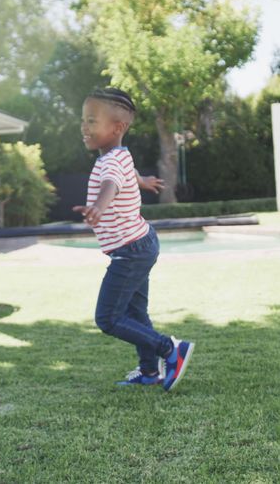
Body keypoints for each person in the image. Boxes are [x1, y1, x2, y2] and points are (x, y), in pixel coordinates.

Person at [72, 87, 195, 391]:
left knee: (108, 318)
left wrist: (98, 208)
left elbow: (111, 185)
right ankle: (149, 372)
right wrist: (145, 181)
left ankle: (169, 349)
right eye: (83, 120)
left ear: (118, 128)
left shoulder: (110, 164)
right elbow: (130, 174)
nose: (84, 127)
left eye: (91, 120)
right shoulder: (119, 156)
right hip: (140, 244)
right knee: (136, 313)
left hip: (131, 250)